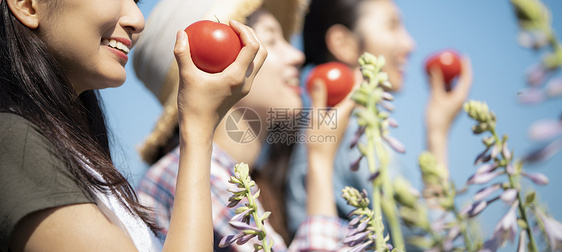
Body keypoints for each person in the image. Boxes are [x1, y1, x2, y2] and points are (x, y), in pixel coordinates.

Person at [0, 0, 267, 250]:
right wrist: (197, 129)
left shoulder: (72, 155)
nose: (138, 20)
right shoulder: (14, 144)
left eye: (136, 1)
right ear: (27, 5)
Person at [134, 0, 356, 250]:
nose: (298, 56)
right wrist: (319, 163)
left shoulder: (251, 182)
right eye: (272, 40)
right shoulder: (191, 176)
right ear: (220, 61)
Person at [285, 0, 473, 237]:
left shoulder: (317, 131)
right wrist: (437, 135)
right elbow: (432, 237)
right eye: (392, 25)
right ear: (342, 43)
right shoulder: (354, 137)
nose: (410, 43)